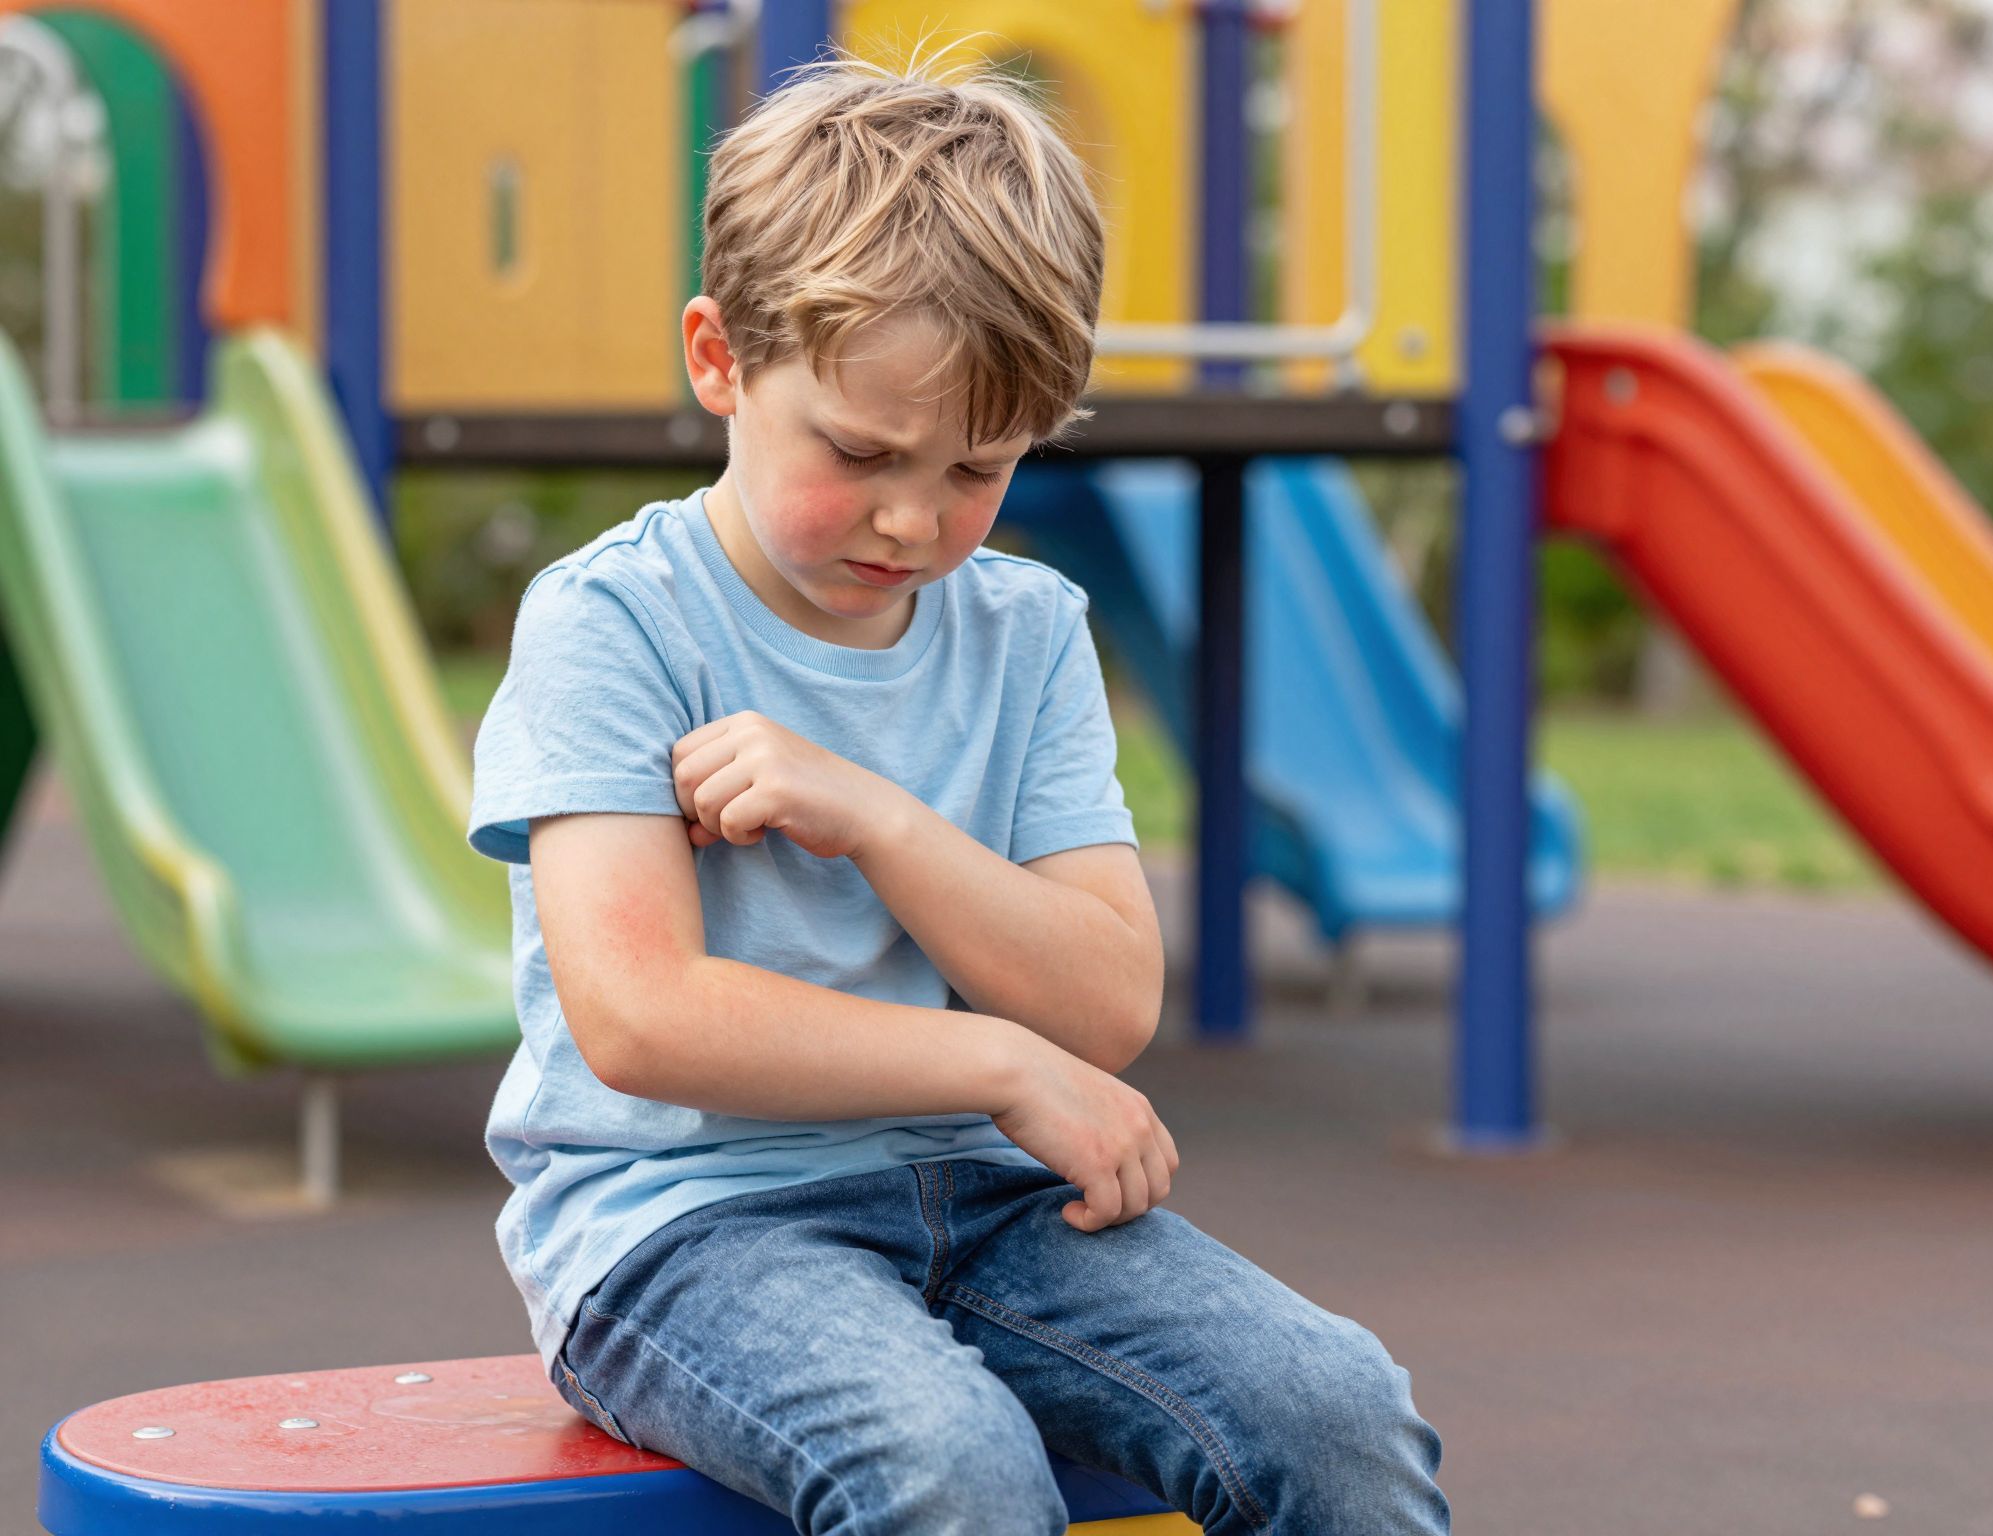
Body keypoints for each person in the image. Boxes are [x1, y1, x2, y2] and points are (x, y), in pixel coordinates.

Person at [466, 42, 1450, 1535]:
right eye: (862, 451)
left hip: (992, 1212)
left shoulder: (1029, 629)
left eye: (981, 467)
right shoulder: (614, 622)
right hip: (683, 1231)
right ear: (720, 358)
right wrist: (1001, 1069)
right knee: (949, 1469)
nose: (917, 519)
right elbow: (641, 1017)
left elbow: (1108, 999)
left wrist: (878, 817)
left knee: (1340, 1412)